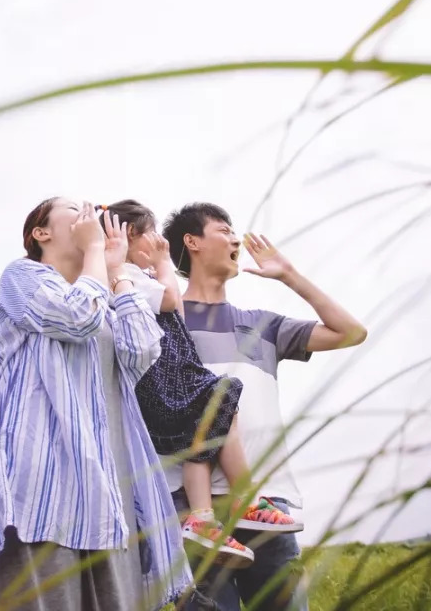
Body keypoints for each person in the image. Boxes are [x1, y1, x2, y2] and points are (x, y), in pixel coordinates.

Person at [0, 198, 192, 611]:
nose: (90, 212)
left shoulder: (104, 294)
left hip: (109, 495)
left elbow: (143, 350)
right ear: (40, 233)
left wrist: (118, 271)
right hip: (43, 490)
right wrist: (98, 255)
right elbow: (74, 318)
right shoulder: (23, 276)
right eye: (72, 206)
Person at [162, 202, 368, 611]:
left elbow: (351, 332)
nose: (237, 238)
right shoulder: (163, 322)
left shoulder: (263, 325)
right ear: (193, 242)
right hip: (192, 514)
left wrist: (289, 275)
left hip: (265, 507)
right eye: (224, 230)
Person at [100, 200, 305, 568]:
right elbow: (170, 302)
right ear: (130, 235)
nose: (161, 242)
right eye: (152, 235)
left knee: (209, 421)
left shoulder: (133, 278)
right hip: (164, 381)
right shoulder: (125, 277)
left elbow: (175, 312)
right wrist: (163, 263)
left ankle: (203, 518)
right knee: (221, 398)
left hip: (172, 379)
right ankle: (244, 504)